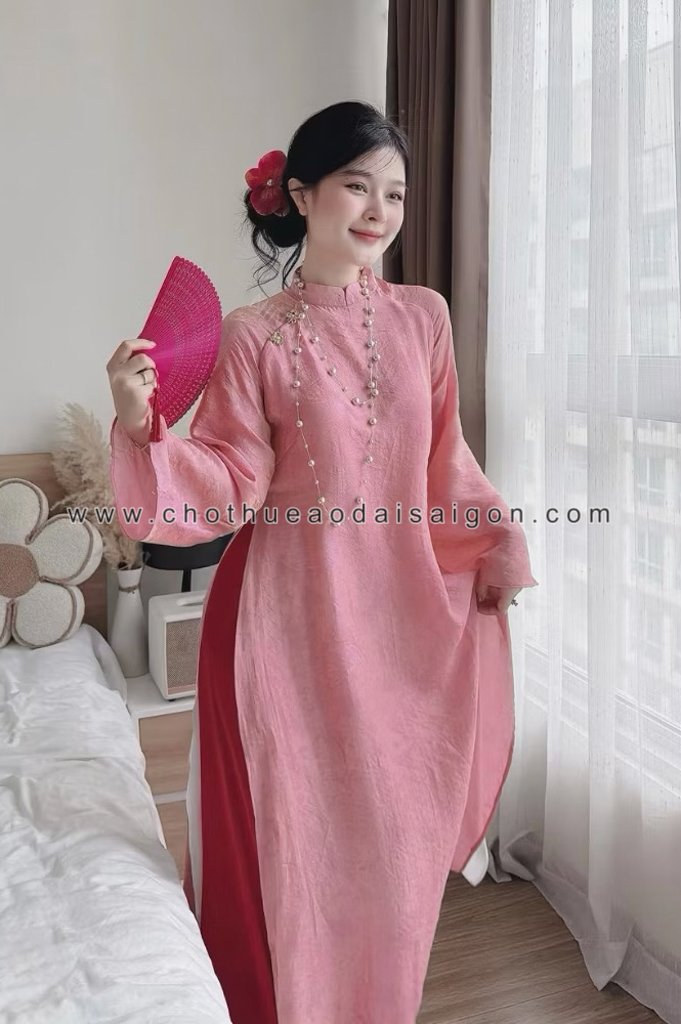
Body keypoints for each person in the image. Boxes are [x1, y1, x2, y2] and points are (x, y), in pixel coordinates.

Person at [106, 100, 538, 1024]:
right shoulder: (254, 334)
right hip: (284, 619)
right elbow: (229, 476)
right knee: (294, 835)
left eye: (396, 194)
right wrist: (143, 428)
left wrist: (495, 536)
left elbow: (444, 462)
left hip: (397, 613)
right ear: (300, 195)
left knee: (391, 835)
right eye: (356, 186)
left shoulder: (423, 318)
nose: (380, 210)